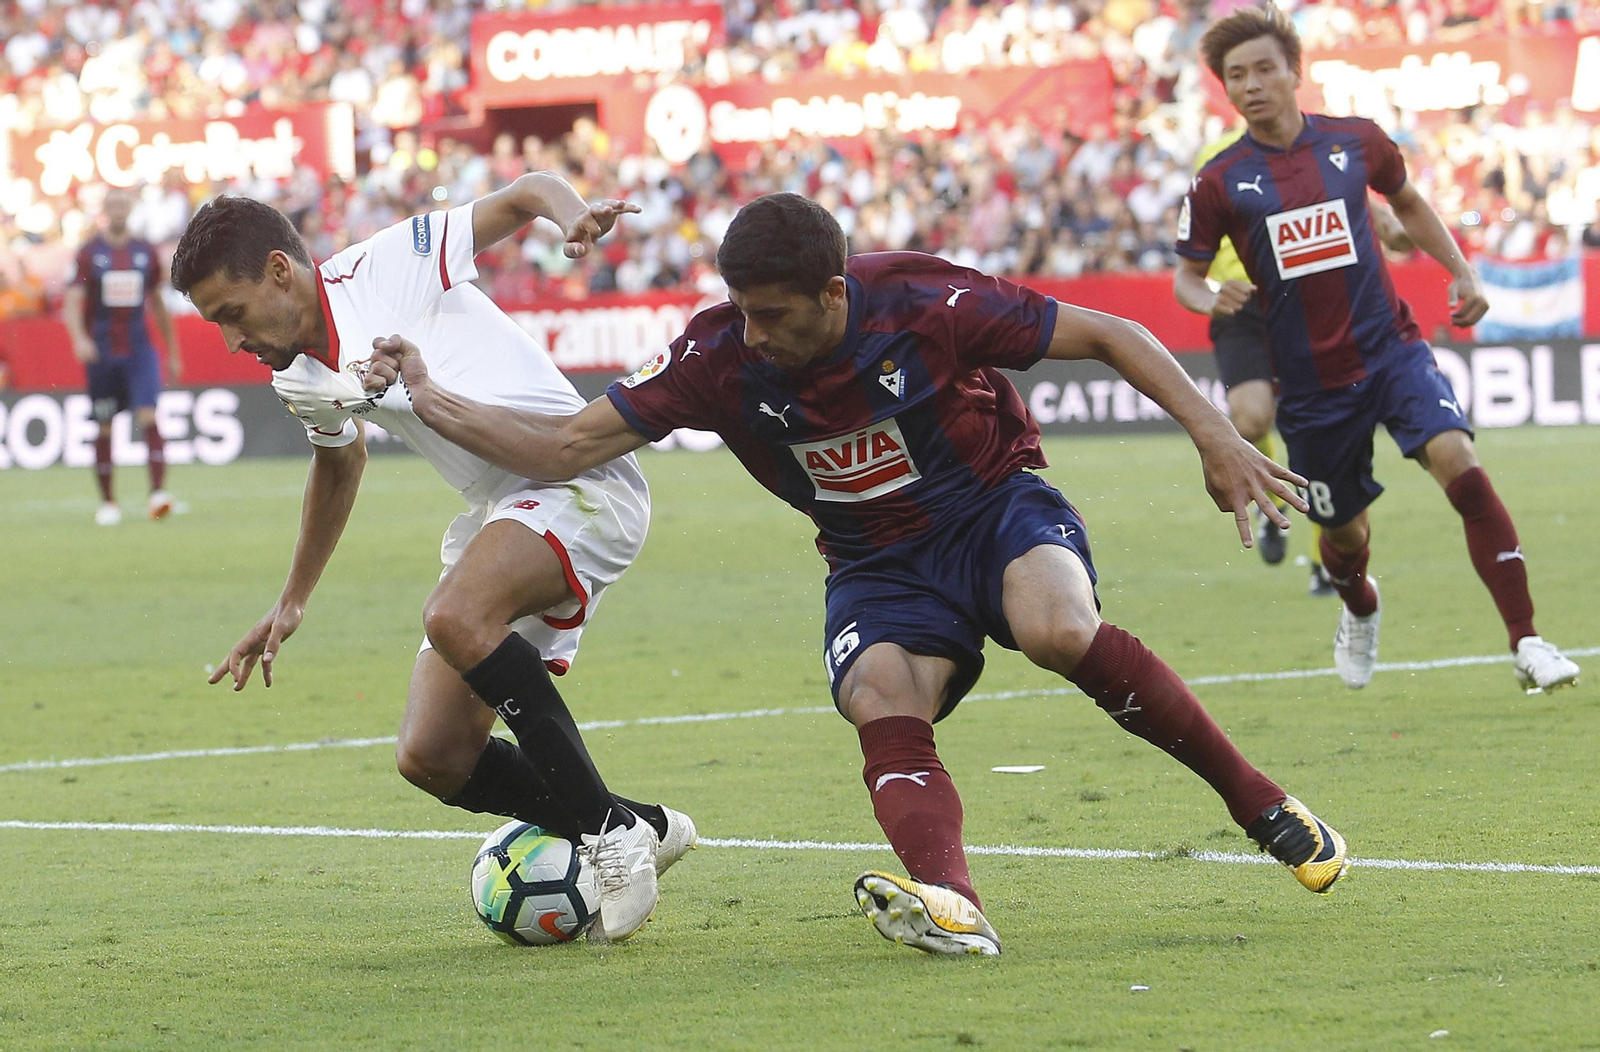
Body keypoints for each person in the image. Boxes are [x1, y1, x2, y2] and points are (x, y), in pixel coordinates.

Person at [361, 192, 1351, 958]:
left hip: (991, 503)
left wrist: (1215, 435)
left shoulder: (924, 301)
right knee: (875, 691)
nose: (753, 333)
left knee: (1055, 625)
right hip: (873, 557)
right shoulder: (715, 354)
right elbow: (570, 441)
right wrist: (424, 394)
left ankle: (1260, 802)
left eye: (775, 314)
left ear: (834, 294)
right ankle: (951, 903)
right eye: (742, 311)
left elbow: (1109, 332)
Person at [169, 175, 694, 943]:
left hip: (579, 479)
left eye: (233, 314)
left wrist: (572, 216)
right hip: (502, 511)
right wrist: (292, 600)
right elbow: (340, 462)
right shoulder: (298, 375)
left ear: (281, 270)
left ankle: (608, 839)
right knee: (434, 754)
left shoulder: (382, 269)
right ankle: (640, 824)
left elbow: (522, 195)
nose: (232, 340)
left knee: (455, 613)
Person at [1174, 6, 1581, 695]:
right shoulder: (1219, 181)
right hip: (1309, 386)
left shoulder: (1355, 141)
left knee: (1465, 468)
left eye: (1265, 69)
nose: (1251, 85)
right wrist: (1209, 294)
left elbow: (1409, 201)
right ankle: (1360, 606)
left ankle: (1528, 642)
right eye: (1236, 75)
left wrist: (1462, 270)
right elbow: (1186, 273)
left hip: (1392, 351)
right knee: (1345, 537)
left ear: (1295, 71)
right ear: (1224, 87)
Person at [1184, 128, 1418, 595]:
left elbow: (1335, 197)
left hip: (1302, 296)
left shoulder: (1304, 146)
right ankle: (1272, 497)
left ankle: (1321, 563)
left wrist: (1387, 222)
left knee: (1314, 432)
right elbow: (1197, 237)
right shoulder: (1212, 157)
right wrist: (1209, 292)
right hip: (1240, 303)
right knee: (1250, 419)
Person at [62, 187, 182, 526]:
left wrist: (172, 352)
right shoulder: (89, 253)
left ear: (129, 208)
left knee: (148, 414)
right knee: (103, 425)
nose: (117, 210)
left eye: (121, 204)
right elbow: (72, 302)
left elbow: (158, 305)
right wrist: (80, 338)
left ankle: (158, 492)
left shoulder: (144, 252)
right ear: (103, 209)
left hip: (139, 349)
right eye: (110, 204)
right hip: (101, 353)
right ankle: (108, 501)